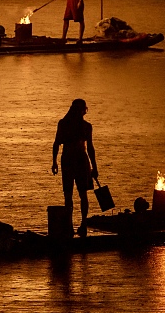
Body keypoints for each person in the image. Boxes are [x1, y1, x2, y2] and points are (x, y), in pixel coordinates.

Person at [51, 98, 98, 237]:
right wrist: (54, 162)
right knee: (70, 194)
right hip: (70, 161)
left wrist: (94, 167)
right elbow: (56, 144)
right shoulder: (64, 124)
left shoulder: (85, 126)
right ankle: (72, 225)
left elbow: (90, 148)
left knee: (77, 194)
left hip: (80, 161)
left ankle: (81, 224)